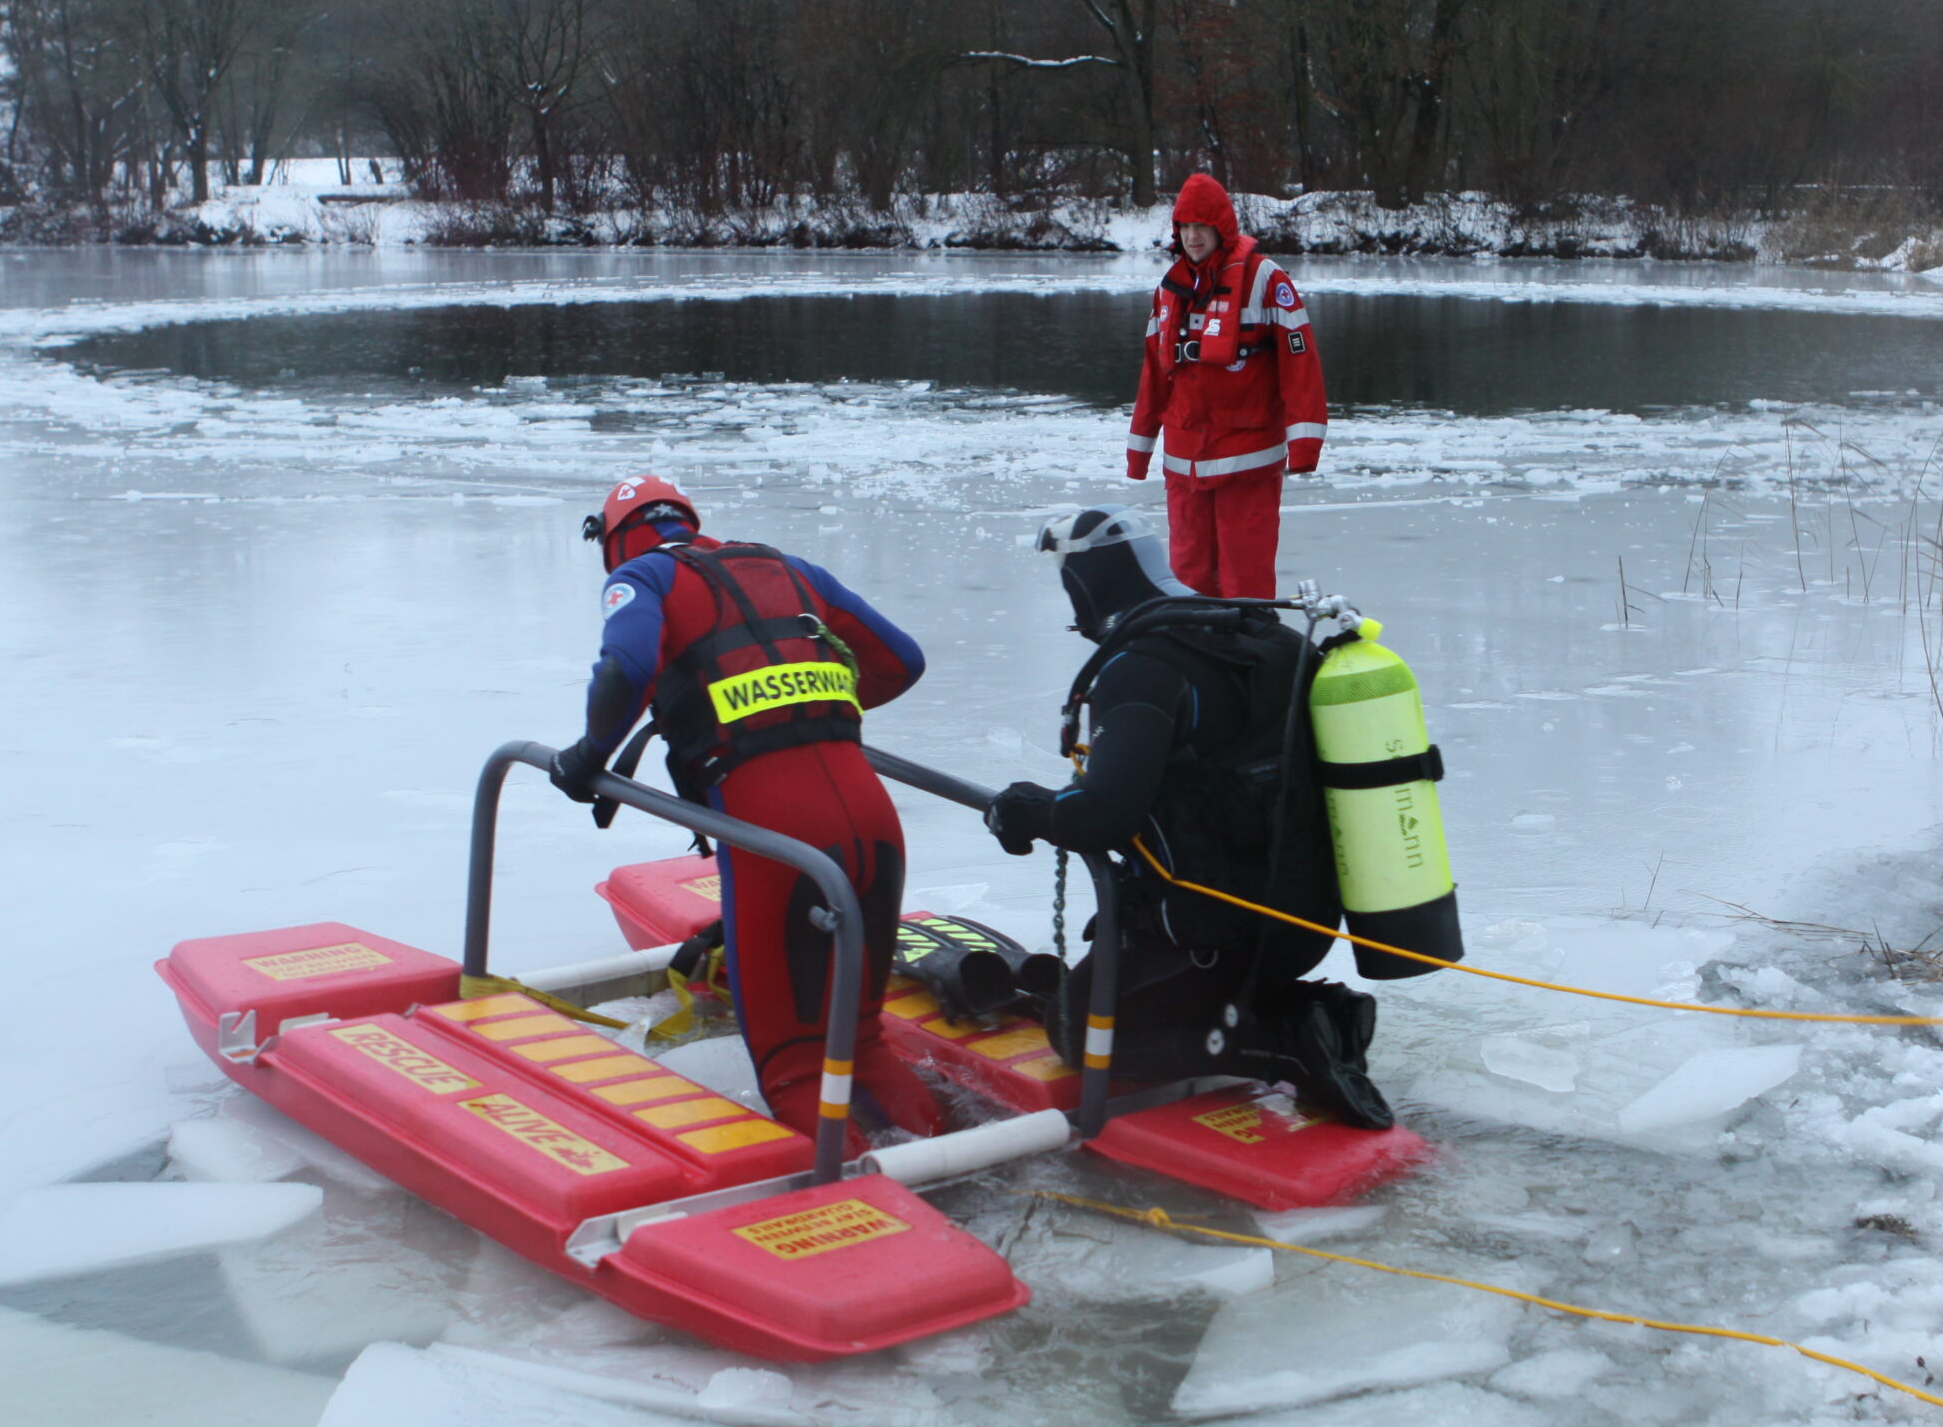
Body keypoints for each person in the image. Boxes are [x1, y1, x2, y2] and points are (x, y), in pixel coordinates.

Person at [546, 474, 944, 1144]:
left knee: (795, 1070)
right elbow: (901, 661)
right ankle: (958, 1171)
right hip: (875, 828)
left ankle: (860, 1204)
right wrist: (807, 711)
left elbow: (626, 667)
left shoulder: (642, 576)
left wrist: (587, 757)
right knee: (862, 1043)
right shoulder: (790, 568)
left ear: (612, 540)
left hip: (775, 841)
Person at [979, 506, 1393, 1129]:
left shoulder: (1144, 667)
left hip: (1209, 938)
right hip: (1307, 922)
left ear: (1085, 585)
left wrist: (1025, 810)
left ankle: (1282, 1042)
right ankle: (1310, 1013)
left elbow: (1100, 817)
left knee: (1075, 1028)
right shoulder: (1268, 637)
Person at [1125, 172, 1327, 599]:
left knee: (1245, 582)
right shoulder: (1169, 290)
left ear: (1222, 227)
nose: (1193, 236)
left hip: (1247, 462)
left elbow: (1300, 365)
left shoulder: (1266, 280)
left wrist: (1305, 446)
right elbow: (1153, 376)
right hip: (1185, 464)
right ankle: (1193, 643)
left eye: (1202, 226)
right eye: (1185, 226)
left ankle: (1247, 643)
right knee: (1188, 582)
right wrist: (1139, 452)